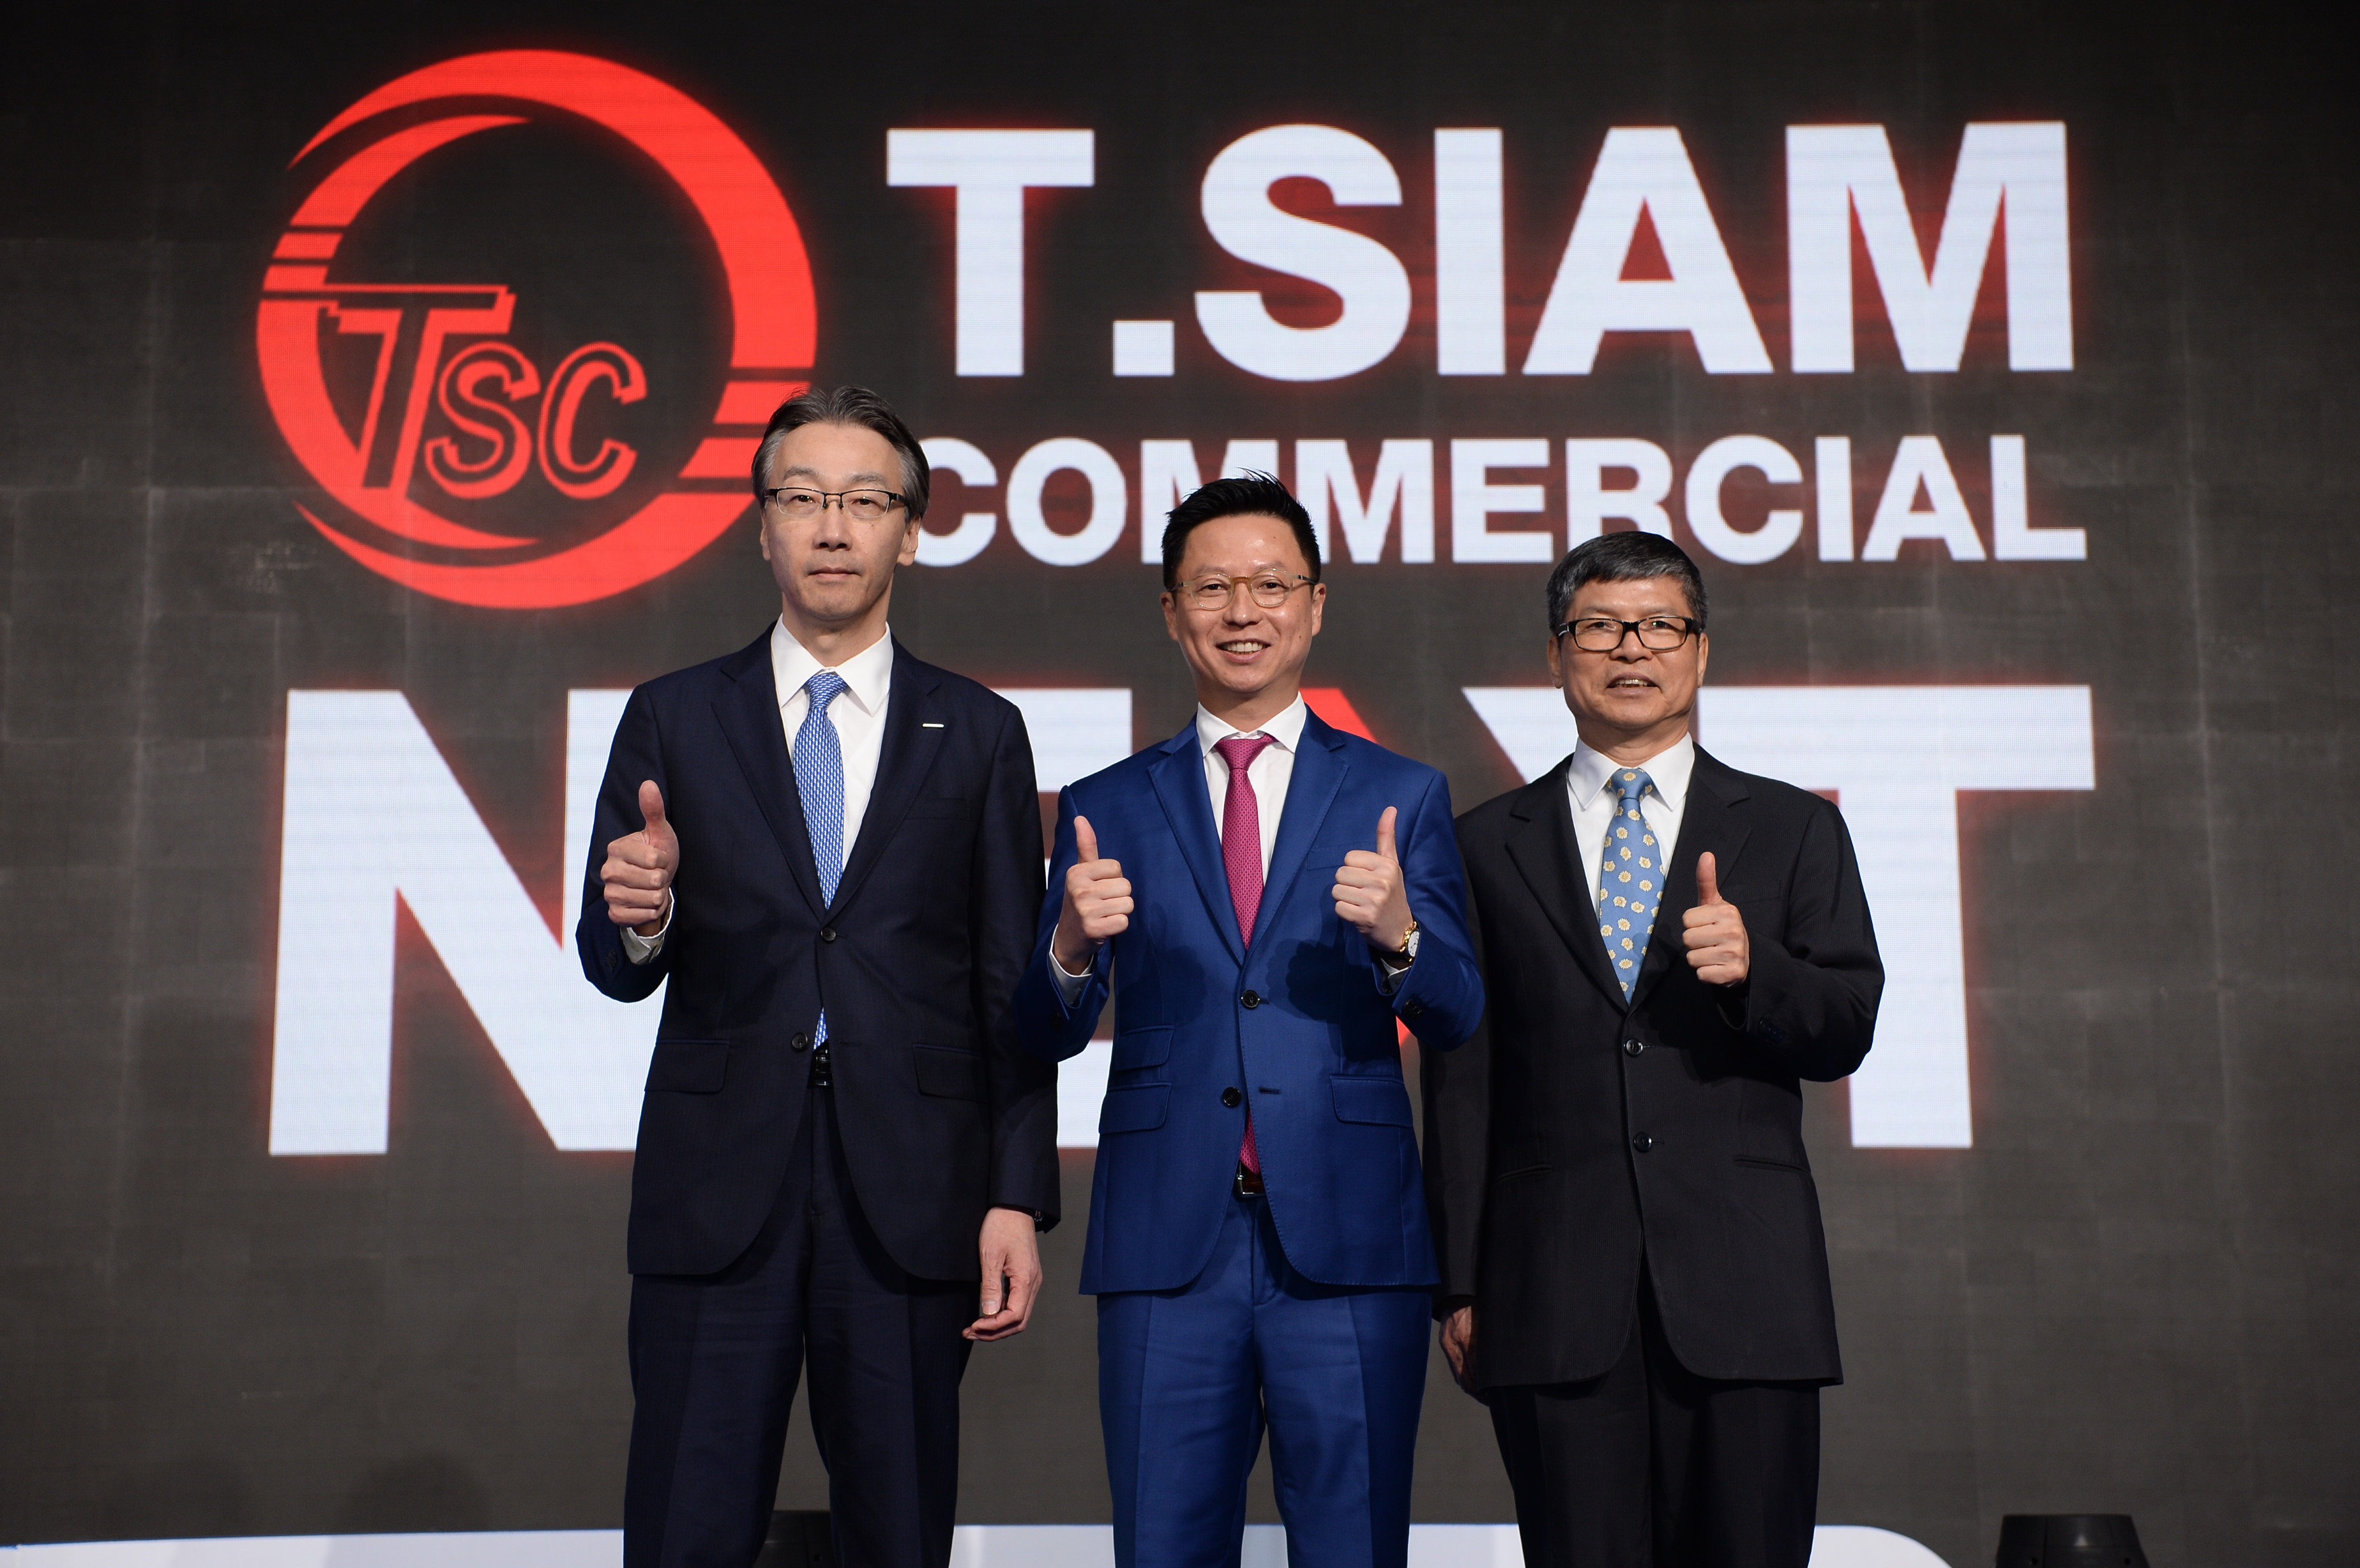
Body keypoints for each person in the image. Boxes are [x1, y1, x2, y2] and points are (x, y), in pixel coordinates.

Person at [575, 386, 1058, 1568]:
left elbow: (1011, 988)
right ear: (762, 526)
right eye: (802, 498)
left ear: (911, 531)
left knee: (899, 1529)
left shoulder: (979, 730)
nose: (833, 527)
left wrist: (1016, 1193)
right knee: (686, 1523)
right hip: (716, 1187)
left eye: (864, 501)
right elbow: (614, 965)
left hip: (913, 1191)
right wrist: (644, 916)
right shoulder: (674, 717)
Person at [1012, 474, 1485, 1568]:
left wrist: (1402, 938)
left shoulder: (1402, 793)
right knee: (1163, 1547)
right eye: (1212, 587)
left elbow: (1459, 1011)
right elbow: (1041, 1030)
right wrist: (1070, 948)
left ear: (1315, 604)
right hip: (1168, 1244)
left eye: (1270, 585)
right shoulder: (1104, 802)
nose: (1242, 612)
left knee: (1355, 1547)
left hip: (1349, 1241)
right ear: (1171, 610)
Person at [1423, 531, 1884, 1568]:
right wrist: (1459, 1284)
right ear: (1557, 655)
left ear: (1700, 650)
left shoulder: (1793, 829)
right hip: (1550, 1291)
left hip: (1746, 1291)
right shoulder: (1480, 843)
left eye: (1660, 626)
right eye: (1599, 626)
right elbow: (1462, 1077)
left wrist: (1757, 972)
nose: (1631, 647)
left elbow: (1848, 1023)